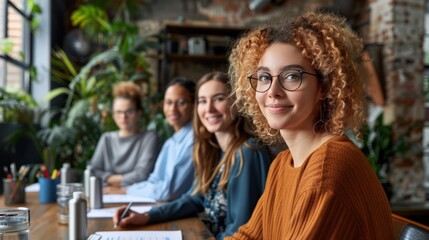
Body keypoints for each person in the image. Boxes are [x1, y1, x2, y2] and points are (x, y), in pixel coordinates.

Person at [226, 12, 393, 239]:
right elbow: (249, 237)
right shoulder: (282, 165)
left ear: (324, 86)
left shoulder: (328, 170)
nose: (273, 91)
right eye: (264, 77)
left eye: (292, 76)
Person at [113, 72, 274, 239]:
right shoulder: (215, 151)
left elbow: (241, 231)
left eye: (219, 99)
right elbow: (194, 199)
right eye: (203, 101)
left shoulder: (248, 153)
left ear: (237, 103)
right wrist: (147, 216)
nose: (209, 109)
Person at [104, 77, 196, 201]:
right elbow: (154, 180)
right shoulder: (171, 143)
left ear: (194, 105)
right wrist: (124, 190)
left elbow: (168, 191)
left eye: (181, 102)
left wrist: (124, 190)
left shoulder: (193, 140)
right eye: (168, 102)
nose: (173, 109)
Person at [89, 82, 160, 187]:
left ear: (138, 113)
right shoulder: (106, 139)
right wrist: (124, 180)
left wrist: (108, 179)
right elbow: (92, 172)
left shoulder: (149, 138)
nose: (123, 117)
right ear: (113, 114)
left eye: (129, 111)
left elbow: (142, 175)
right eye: (118, 112)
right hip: (107, 197)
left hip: (137, 198)